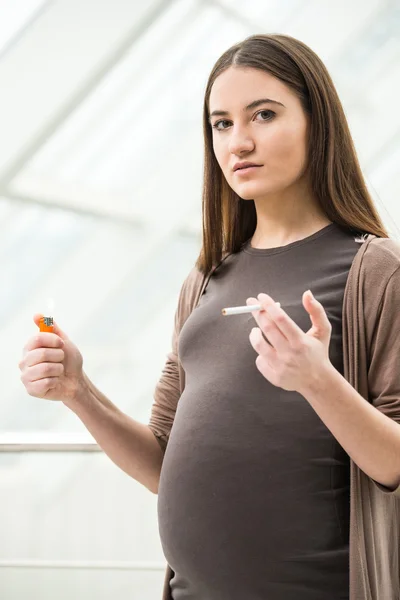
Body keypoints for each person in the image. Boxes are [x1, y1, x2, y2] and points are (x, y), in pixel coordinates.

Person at [19, 34, 400, 600]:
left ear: (317, 123)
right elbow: (161, 464)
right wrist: (79, 392)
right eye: (221, 123)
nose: (238, 141)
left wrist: (318, 382)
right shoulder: (204, 280)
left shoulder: (375, 271)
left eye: (263, 115)